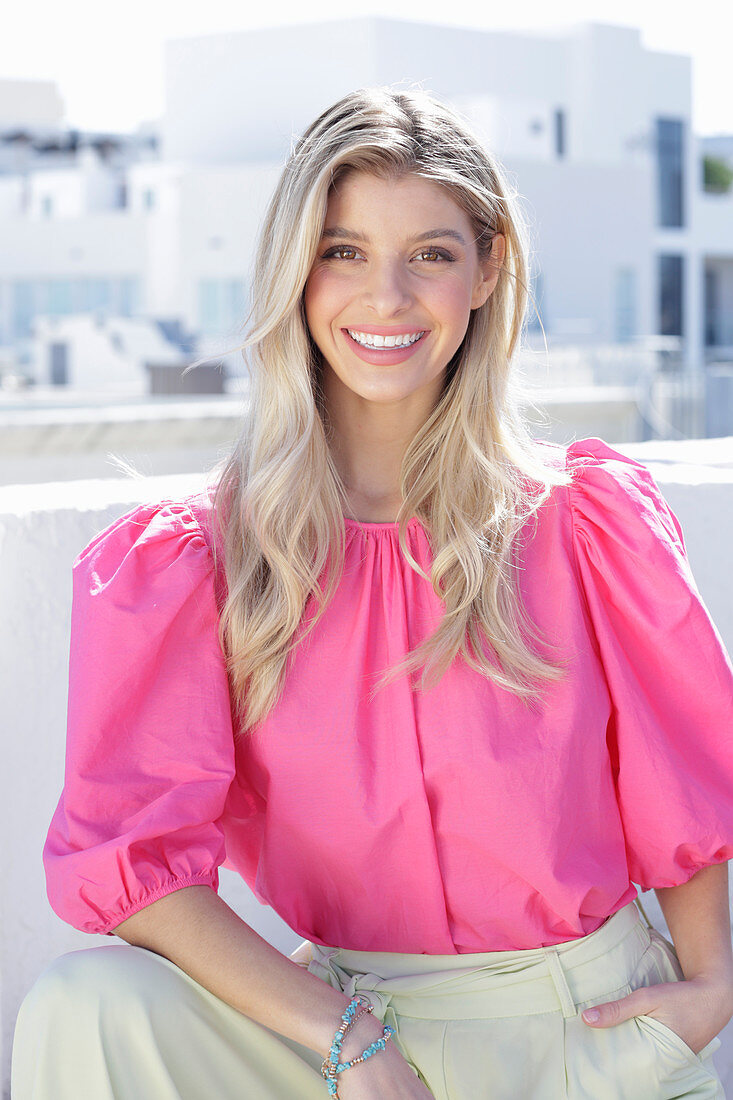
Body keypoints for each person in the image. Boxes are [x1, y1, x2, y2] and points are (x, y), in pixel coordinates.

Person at [11, 86, 733, 1100]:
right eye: (342, 250)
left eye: (430, 254)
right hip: (347, 1040)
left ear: (486, 269)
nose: (384, 296)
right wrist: (342, 1033)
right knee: (82, 1004)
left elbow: (685, 792)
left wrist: (713, 982)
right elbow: (135, 862)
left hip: (580, 1034)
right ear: (295, 272)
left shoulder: (583, 528)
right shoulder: (205, 564)